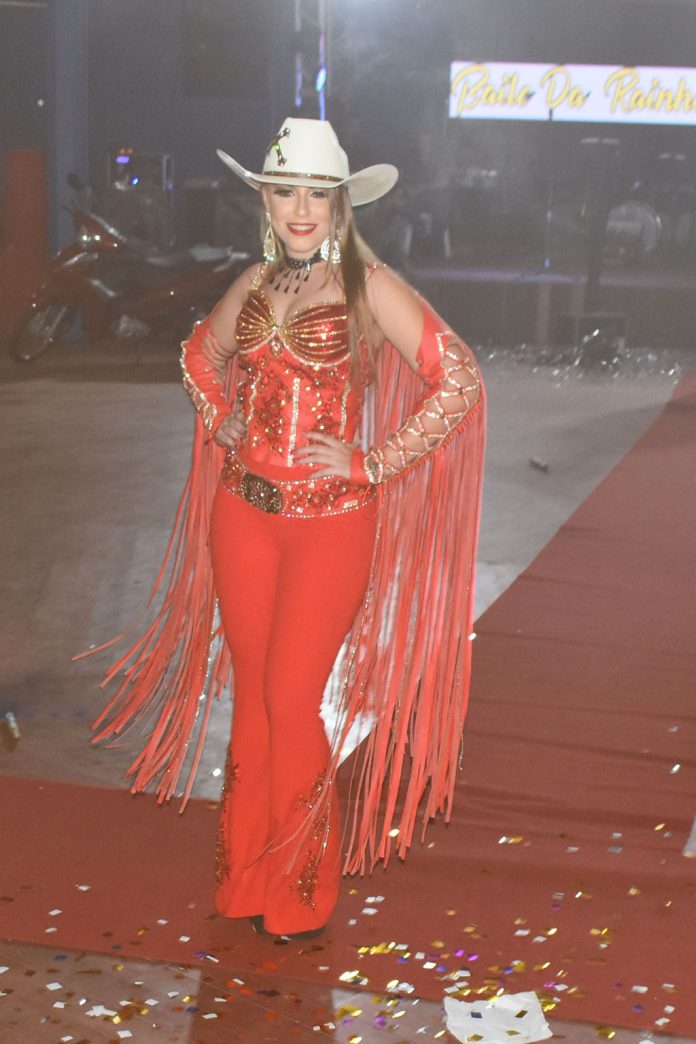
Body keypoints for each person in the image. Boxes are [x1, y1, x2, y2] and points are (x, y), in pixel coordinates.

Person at [90, 117, 485, 940]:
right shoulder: (255, 282)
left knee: (291, 699)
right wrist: (222, 417)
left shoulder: (368, 284)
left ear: (340, 203)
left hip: (330, 526)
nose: (300, 209)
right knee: (254, 701)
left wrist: (372, 462)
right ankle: (246, 877)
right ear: (264, 201)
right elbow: (197, 357)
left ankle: (301, 890)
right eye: (284, 192)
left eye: (315, 193)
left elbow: (458, 380)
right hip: (243, 515)